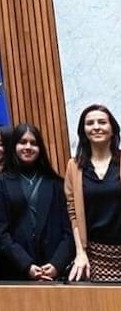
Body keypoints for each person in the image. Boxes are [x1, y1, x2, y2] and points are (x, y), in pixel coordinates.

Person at [0, 123, 74, 280]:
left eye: (33, 143)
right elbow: (2, 233)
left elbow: (68, 231)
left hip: (52, 269)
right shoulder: (0, 184)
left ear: (40, 149)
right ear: (14, 146)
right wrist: (26, 265)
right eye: (22, 142)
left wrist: (57, 264)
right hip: (14, 271)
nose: (28, 147)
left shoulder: (57, 184)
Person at [65, 104, 121, 282]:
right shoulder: (74, 167)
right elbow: (73, 212)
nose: (96, 127)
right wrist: (80, 253)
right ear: (84, 131)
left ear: (112, 129)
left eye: (102, 122)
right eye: (90, 123)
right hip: (94, 257)